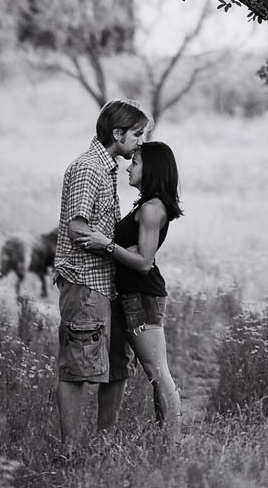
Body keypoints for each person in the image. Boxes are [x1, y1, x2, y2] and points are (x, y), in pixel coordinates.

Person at [53, 98, 149, 457]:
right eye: (137, 134)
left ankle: (102, 447)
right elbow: (78, 228)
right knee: (76, 370)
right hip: (84, 282)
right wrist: (111, 247)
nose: (140, 141)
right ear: (117, 133)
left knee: (114, 365)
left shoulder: (106, 169)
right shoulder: (88, 168)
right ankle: (69, 453)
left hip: (104, 285)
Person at [80, 140, 183, 438]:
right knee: (150, 371)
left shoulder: (152, 208)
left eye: (135, 162)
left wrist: (107, 244)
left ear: (150, 168)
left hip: (142, 296)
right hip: (130, 294)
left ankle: (173, 444)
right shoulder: (147, 204)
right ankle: (161, 441)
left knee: (157, 371)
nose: (129, 166)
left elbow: (143, 263)